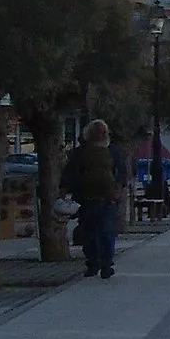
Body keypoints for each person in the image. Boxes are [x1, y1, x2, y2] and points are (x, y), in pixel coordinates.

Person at [60, 120, 126, 279]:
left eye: (104, 132)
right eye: (99, 132)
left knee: (106, 232)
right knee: (89, 233)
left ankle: (106, 263)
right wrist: (64, 189)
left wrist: (118, 189)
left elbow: (121, 172)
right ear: (90, 134)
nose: (103, 135)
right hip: (86, 199)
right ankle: (92, 262)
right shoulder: (80, 152)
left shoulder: (113, 151)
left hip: (108, 199)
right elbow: (71, 172)